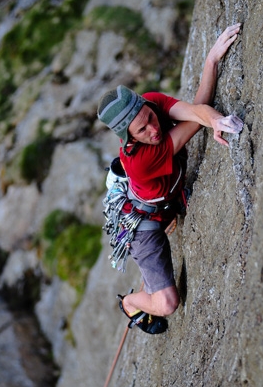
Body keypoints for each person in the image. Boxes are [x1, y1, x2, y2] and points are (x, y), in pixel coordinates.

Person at [98, 23, 243, 334]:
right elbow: (195, 121)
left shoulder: (150, 102)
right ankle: (132, 303)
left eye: (150, 117)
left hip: (162, 205)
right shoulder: (139, 160)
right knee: (166, 304)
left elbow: (193, 111)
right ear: (129, 138)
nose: (153, 128)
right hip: (143, 224)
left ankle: (168, 218)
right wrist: (213, 119)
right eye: (142, 130)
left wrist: (212, 60)